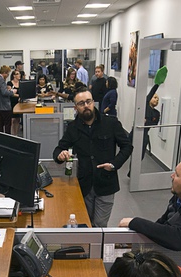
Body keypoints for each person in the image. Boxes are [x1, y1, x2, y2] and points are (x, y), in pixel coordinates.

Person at [53, 87, 133, 227]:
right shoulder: (73, 127)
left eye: (88, 101)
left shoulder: (111, 123)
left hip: (106, 183)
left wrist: (114, 164)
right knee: (86, 224)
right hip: (84, 185)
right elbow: (59, 149)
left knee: (99, 225)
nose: (86, 106)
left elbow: (127, 146)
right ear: (76, 107)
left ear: (93, 102)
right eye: (81, 103)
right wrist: (60, 155)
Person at [142, 65, 167, 159]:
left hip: (144, 135)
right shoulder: (145, 105)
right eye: (155, 98)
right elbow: (150, 94)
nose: (156, 100)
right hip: (135, 133)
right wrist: (157, 84)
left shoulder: (156, 113)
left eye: (158, 99)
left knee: (140, 156)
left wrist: (146, 122)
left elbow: (154, 124)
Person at [0, 65, 17, 134]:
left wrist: (6, 88)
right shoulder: (1, 80)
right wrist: (12, 92)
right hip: (4, 105)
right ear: (4, 72)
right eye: (7, 74)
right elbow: (4, 93)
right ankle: (8, 137)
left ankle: (0, 137)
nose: (8, 75)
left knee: (1, 122)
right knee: (7, 123)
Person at [7, 69, 22, 135]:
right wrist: (18, 95)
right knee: (12, 120)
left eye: (19, 74)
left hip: (19, 103)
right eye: (17, 74)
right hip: (12, 102)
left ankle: (16, 134)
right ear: (14, 75)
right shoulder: (9, 83)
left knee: (18, 119)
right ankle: (12, 134)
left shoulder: (21, 83)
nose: (19, 75)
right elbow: (10, 93)